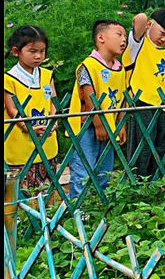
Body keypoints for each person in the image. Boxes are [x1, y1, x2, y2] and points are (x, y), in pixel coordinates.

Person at [67, 20, 128, 200]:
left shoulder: (120, 68)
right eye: (119, 35)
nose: (123, 40)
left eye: (125, 36)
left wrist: (121, 124)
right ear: (101, 37)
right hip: (87, 127)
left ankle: (99, 208)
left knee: (105, 172)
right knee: (82, 171)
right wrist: (99, 124)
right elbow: (88, 96)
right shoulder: (88, 65)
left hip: (110, 128)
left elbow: (123, 98)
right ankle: (78, 211)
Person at [123, 8, 165, 179]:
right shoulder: (138, 45)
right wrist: (148, 23)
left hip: (162, 107)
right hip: (142, 104)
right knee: (141, 151)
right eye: (162, 33)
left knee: (160, 150)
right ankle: (137, 189)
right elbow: (139, 18)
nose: (164, 39)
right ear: (149, 25)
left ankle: (156, 187)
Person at [4, 26, 58, 194]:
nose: (38, 56)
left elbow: (53, 103)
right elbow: (12, 108)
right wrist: (27, 127)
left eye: (42, 51)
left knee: (46, 192)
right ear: (16, 51)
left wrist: (53, 122)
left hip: (47, 142)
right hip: (19, 146)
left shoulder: (47, 75)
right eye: (32, 51)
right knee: (20, 196)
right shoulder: (9, 79)